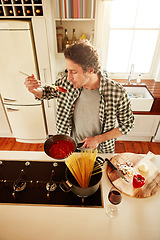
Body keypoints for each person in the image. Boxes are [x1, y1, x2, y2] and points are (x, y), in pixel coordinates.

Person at [24, 40, 134, 153]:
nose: (68, 77)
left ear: (91, 70)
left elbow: (127, 124)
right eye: (67, 71)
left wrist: (97, 139)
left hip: (101, 151)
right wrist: (35, 90)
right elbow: (46, 92)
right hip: (69, 147)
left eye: (74, 72)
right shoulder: (66, 84)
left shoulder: (117, 92)